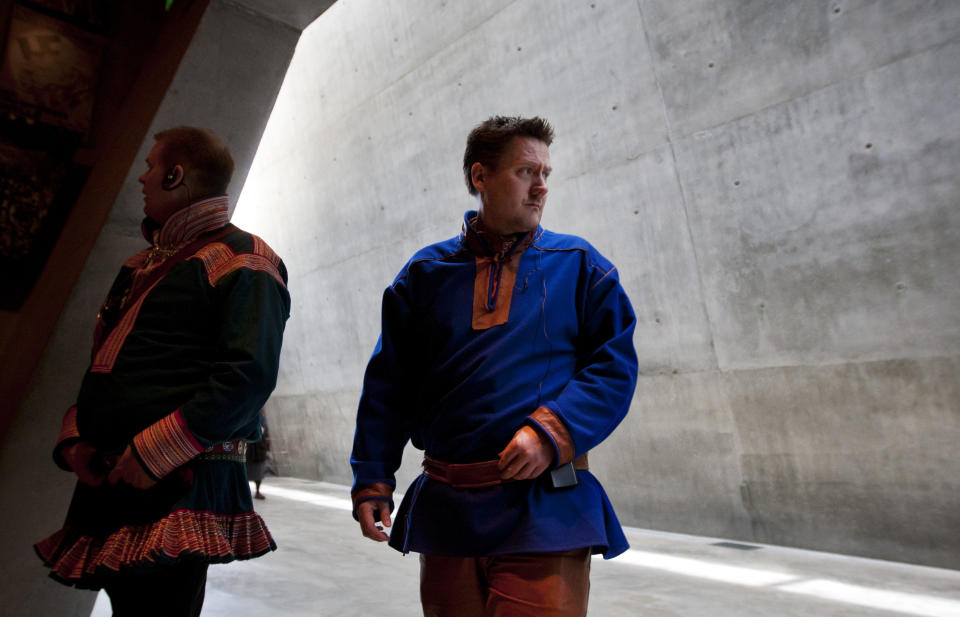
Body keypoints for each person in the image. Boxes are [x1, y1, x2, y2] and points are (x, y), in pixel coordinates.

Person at [350, 116, 638, 616]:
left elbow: (614, 367)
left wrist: (550, 432)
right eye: (527, 171)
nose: (542, 187)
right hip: (448, 509)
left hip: (544, 507)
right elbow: (388, 386)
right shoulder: (422, 276)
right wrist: (373, 477)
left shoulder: (581, 265)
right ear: (480, 177)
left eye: (546, 173)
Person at [35, 127, 291, 617]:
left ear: (176, 175)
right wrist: (78, 439)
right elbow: (102, 365)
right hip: (110, 477)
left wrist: (152, 454)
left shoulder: (245, 258)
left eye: (151, 166)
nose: (142, 178)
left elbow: (248, 376)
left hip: (177, 481)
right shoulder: (140, 265)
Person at [246, 409, 271, 499]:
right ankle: (245, 491)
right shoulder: (244, 414)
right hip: (247, 447)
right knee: (245, 470)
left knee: (258, 470)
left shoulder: (260, 416)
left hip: (258, 447)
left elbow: (263, 429)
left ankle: (257, 490)